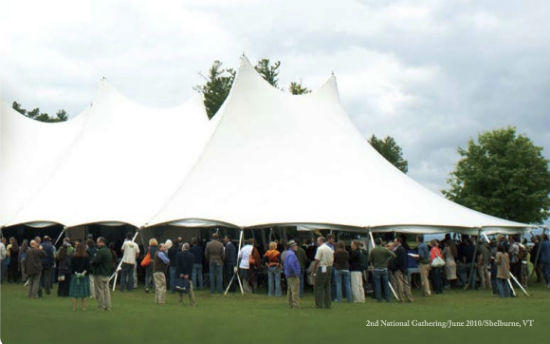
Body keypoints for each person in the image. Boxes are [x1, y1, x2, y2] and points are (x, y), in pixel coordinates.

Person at [369, 238, 396, 303]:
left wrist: (373, 263)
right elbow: (394, 255)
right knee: (386, 284)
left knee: (377, 284)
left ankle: (379, 298)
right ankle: (387, 299)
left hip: (377, 269)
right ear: (381, 242)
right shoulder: (385, 249)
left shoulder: (373, 250)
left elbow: (370, 259)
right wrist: (387, 260)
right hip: (384, 268)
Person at [311, 236, 334, 309]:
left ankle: (319, 304)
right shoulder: (330, 248)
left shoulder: (320, 249)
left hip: (323, 267)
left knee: (318, 286)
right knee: (327, 286)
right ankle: (328, 304)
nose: (317, 242)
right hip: (329, 267)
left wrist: (313, 270)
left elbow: (317, 260)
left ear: (320, 241)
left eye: (318, 241)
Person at [91, 237, 112, 311]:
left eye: (97, 242)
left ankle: (101, 306)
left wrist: (92, 262)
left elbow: (96, 261)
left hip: (100, 273)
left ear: (101, 242)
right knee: (107, 291)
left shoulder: (101, 251)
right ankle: (108, 306)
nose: (97, 244)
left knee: (100, 290)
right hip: (107, 273)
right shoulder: (108, 251)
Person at [389, 238, 413, 302]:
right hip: (403, 268)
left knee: (400, 284)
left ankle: (401, 298)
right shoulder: (403, 249)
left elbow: (397, 260)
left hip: (399, 269)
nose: (394, 243)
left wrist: (393, 267)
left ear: (398, 242)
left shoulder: (398, 250)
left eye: (395, 241)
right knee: (406, 284)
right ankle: (409, 297)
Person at [69, 242, 91, 311]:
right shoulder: (86, 256)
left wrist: (76, 273)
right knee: (84, 293)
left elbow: (71, 267)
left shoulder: (73, 256)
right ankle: (83, 307)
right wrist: (83, 273)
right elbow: (88, 267)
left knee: (74, 293)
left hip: (75, 276)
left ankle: (74, 308)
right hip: (84, 277)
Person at [283, 240, 301, 309]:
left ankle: (290, 303)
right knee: (295, 290)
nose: (296, 247)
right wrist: (296, 272)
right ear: (292, 246)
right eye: (295, 245)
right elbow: (291, 264)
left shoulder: (288, 253)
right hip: (293, 275)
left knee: (290, 289)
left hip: (288, 274)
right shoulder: (292, 254)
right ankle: (295, 304)